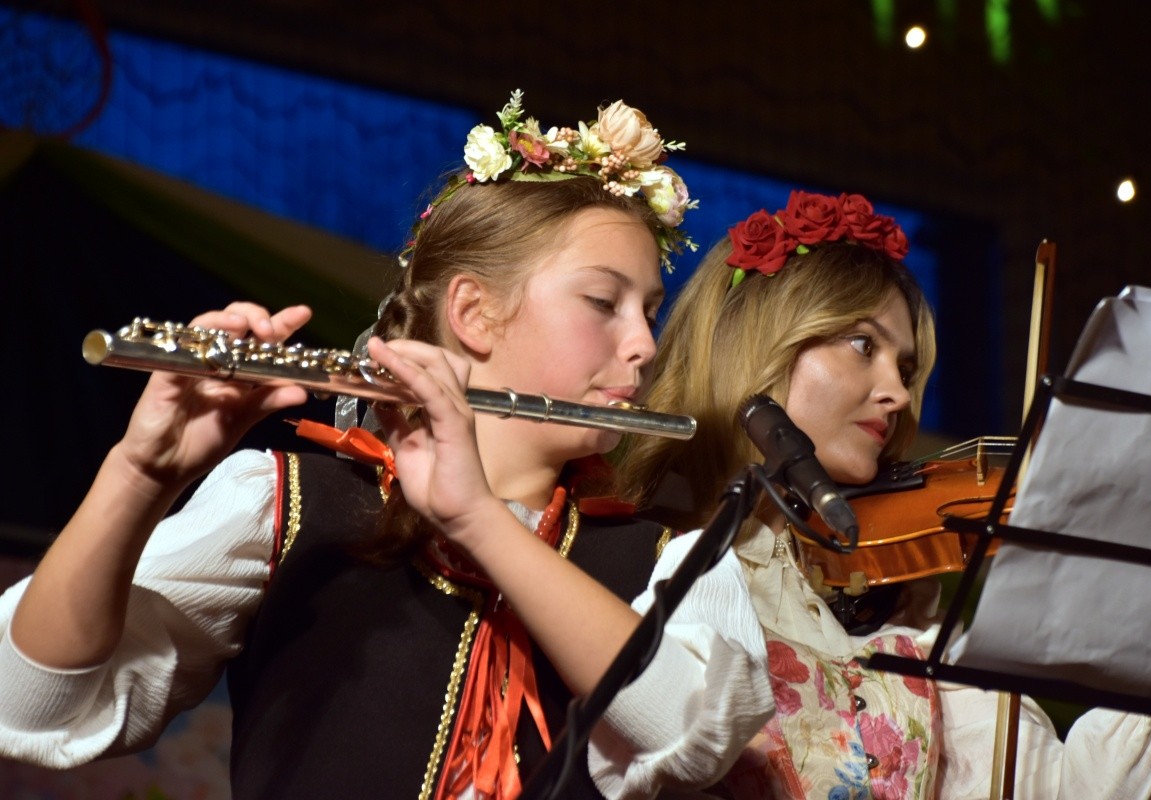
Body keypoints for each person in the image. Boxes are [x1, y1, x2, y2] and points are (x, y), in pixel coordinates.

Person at [0, 91, 773, 800]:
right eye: (604, 301)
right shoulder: (285, 504)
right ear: (473, 313)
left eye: (650, 310)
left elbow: (693, 736)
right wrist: (138, 475)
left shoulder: (672, 562)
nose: (644, 345)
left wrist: (478, 519)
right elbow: (31, 705)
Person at [618, 189, 1151, 799]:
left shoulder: (905, 618)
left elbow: (1061, 791)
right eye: (863, 346)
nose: (897, 394)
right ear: (761, 341)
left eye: (906, 369)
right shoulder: (640, 559)